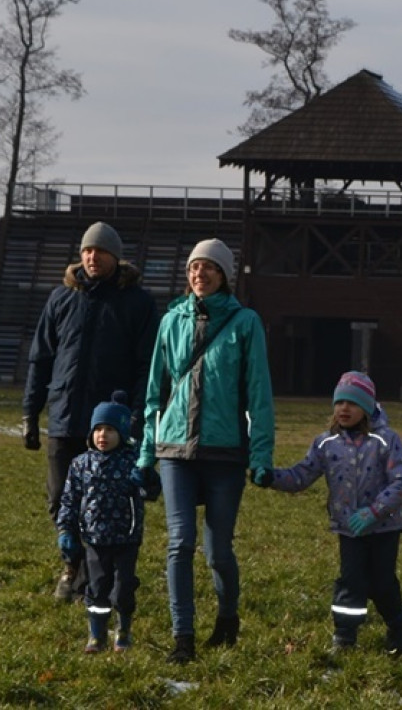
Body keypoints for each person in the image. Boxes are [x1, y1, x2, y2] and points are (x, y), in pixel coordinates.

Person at [137, 238, 276, 665]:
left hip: (225, 453)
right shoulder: (170, 321)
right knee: (179, 544)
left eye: (209, 268)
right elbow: (154, 394)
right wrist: (145, 456)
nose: (200, 274)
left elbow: (259, 395)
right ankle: (184, 638)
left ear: (224, 275)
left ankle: (228, 619)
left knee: (217, 551)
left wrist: (261, 457)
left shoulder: (246, 323)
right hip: (174, 451)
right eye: (194, 267)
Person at [22, 221, 159, 602]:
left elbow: (146, 367)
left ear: (116, 256)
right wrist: (30, 414)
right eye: (86, 250)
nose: (91, 257)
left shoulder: (138, 303)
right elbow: (40, 359)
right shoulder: (61, 299)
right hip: (64, 420)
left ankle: (91, 578)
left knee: (100, 504)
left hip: (108, 427)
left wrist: (134, 415)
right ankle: (73, 566)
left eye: (99, 251)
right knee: (59, 501)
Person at [270, 371, 402, 656]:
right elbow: (301, 475)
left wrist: (374, 512)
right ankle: (344, 635)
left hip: (384, 529)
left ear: (368, 408)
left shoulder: (385, 440)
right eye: (339, 403)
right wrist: (270, 477)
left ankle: (398, 623)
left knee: (382, 583)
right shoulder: (326, 443)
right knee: (351, 581)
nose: (344, 409)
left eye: (352, 403)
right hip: (349, 529)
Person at [56, 391, 161, 653]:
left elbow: (153, 493)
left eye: (110, 430)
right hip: (93, 538)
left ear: (123, 434)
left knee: (123, 589)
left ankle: (123, 629)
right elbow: (69, 498)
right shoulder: (81, 464)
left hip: (126, 538)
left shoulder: (133, 461)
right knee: (97, 588)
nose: (103, 435)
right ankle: (96, 634)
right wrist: (65, 529)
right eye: (98, 429)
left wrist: (146, 480)